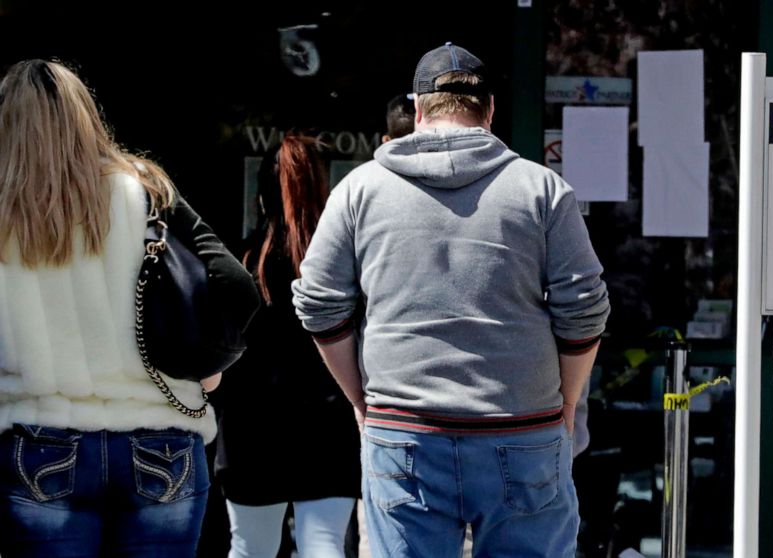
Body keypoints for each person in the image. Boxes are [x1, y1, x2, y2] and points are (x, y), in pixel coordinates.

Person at [292, 43, 610, 557]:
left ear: (417, 112)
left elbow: (318, 304)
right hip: (524, 429)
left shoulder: (358, 190)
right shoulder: (542, 189)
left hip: (402, 429)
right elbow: (585, 307)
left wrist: (360, 398)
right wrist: (567, 399)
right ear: (489, 112)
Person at [0, 59, 258, 557]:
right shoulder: (144, 188)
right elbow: (236, 284)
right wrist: (207, 369)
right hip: (160, 439)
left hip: (37, 443)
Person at [213, 134, 361, 558]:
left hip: (250, 430)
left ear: (260, 198)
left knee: (249, 548)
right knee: (324, 545)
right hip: (329, 427)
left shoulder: (239, 263)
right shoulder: (343, 267)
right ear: (325, 192)